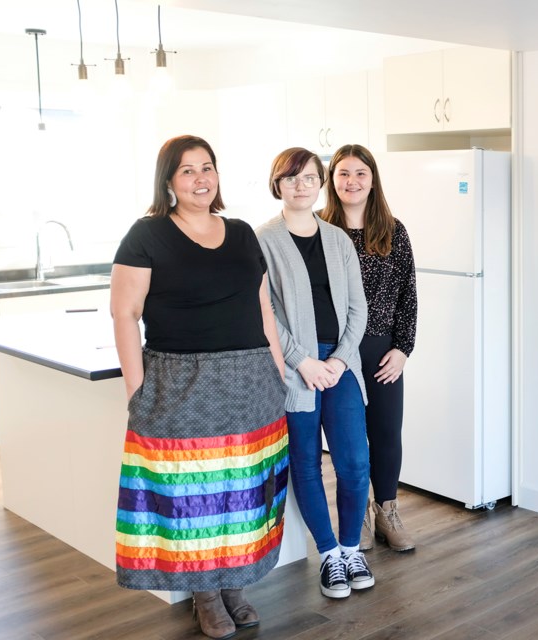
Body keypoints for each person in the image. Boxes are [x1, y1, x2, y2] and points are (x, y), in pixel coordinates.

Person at [110, 135, 289, 640]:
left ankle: (234, 586)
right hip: (181, 384)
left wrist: (277, 373)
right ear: (168, 181)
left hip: (251, 383)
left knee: (242, 495)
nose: (200, 179)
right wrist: (136, 392)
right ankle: (205, 594)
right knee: (193, 500)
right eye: (187, 171)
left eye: (207, 168)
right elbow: (125, 314)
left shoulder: (241, 233)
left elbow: (264, 311)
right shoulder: (146, 236)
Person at [255, 147, 374, 600]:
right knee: (305, 463)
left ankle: (350, 548)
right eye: (292, 178)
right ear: (277, 185)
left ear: (319, 183)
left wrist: (340, 360)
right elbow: (264, 310)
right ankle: (328, 556)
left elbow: (356, 308)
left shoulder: (338, 239)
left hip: (341, 364)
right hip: (294, 367)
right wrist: (302, 360)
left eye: (309, 177)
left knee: (354, 461)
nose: (301, 185)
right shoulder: (262, 239)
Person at [321, 144, 418, 552]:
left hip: (381, 350)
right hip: (336, 351)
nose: (352, 181)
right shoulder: (319, 230)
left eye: (360, 173)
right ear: (332, 181)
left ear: (372, 179)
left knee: (385, 434)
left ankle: (387, 513)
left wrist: (402, 349)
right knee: (349, 439)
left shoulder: (394, 231)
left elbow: (408, 295)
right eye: (343, 173)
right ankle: (357, 515)